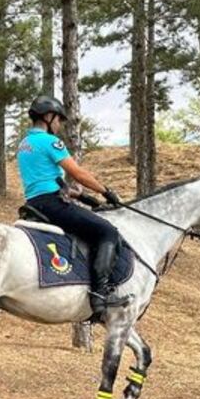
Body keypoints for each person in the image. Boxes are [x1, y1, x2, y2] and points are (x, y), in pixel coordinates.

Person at [16, 95, 129, 318]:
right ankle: (100, 294)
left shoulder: (24, 144)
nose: (58, 125)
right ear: (48, 117)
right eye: (58, 120)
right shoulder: (50, 142)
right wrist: (105, 191)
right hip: (52, 203)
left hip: (35, 201)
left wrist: (87, 198)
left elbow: (50, 179)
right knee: (108, 231)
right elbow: (77, 173)